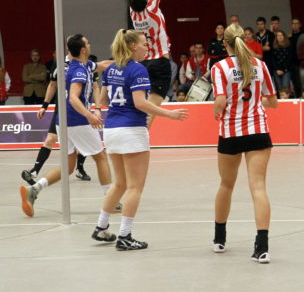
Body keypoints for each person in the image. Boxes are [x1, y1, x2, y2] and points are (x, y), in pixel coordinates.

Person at [91, 29, 188, 250]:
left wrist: (113, 104)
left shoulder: (112, 68)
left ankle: (101, 227)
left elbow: (103, 99)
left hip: (112, 129)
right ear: (134, 46)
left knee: (120, 183)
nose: (147, 47)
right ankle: (125, 236)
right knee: (135, 187)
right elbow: (140, 103)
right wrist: (169, 114)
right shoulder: (138, 70)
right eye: (144, 44)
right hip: (132, 130)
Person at [19, 34, 115, 217]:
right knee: (101, 157)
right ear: (83, 50)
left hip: (63, 122)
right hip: (77, 121)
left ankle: (34, 189)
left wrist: (125, 60)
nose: (90, 44)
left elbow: (103, 64)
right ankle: (112, 201)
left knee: (68, 167)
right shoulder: (78, 71)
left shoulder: (85, 65)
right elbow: (73, 99)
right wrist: (90, 115)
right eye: (87, 43)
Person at [211, 23, 277, 263]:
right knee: (258, 188)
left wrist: (216, 111)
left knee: (226, 185)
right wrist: (255, 104)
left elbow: (220, 101)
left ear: (225, 43)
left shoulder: (219, 67)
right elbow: (272, 101)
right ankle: (262, 247)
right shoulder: (260, 65)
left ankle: (219, 238)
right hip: (258, 131)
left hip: (231, 132)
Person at [21, 54, 93, 185]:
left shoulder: (87, 63)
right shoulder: (58, 63)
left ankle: (80, 169)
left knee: (83, 143)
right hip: (61, 109)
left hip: (79, 109)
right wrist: (44, 106)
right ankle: (34, 171)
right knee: (50, 139)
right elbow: (52, 85)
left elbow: (95, 85)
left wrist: (97, 107)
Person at [126, 0, 172, 127]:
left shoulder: (133, 13)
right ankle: (139, 140)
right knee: (149, 115)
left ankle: (136, 137)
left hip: (143, 64)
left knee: (143, 111)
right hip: (160, 62)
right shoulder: (152, 8)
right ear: (146, 0)